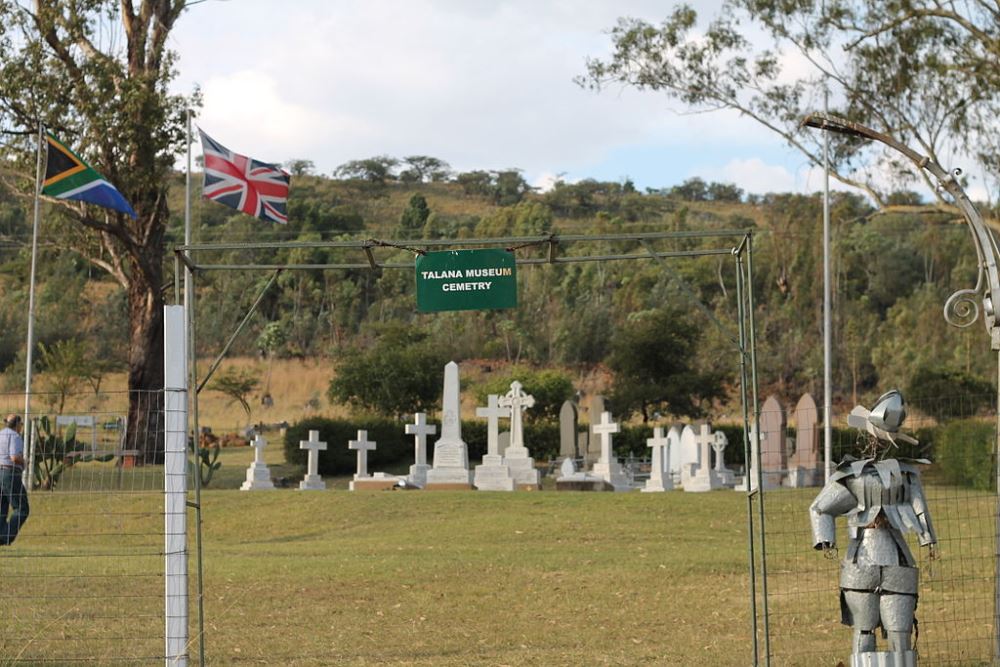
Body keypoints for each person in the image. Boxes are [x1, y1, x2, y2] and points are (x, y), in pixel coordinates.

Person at [0, 413, 29, 545]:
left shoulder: (1, 434)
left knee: (2, 507)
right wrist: (24, 462)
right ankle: (5, 537)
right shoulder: (15, 436)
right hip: (10, 474)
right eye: (21, 424)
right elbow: (14, 457)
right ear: (17, 425)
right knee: (22, 508)